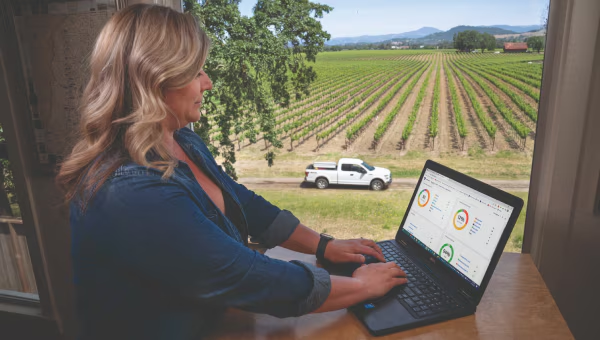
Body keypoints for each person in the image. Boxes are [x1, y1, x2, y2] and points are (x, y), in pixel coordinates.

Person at [57, 4, 407, 340]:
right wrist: (362, 286)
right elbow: (251, 280)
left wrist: (325, 245)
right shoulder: (130, 193)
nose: (207, 83)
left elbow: (243, 204)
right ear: (156, 79)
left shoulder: (181, 141)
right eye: (196, 72)